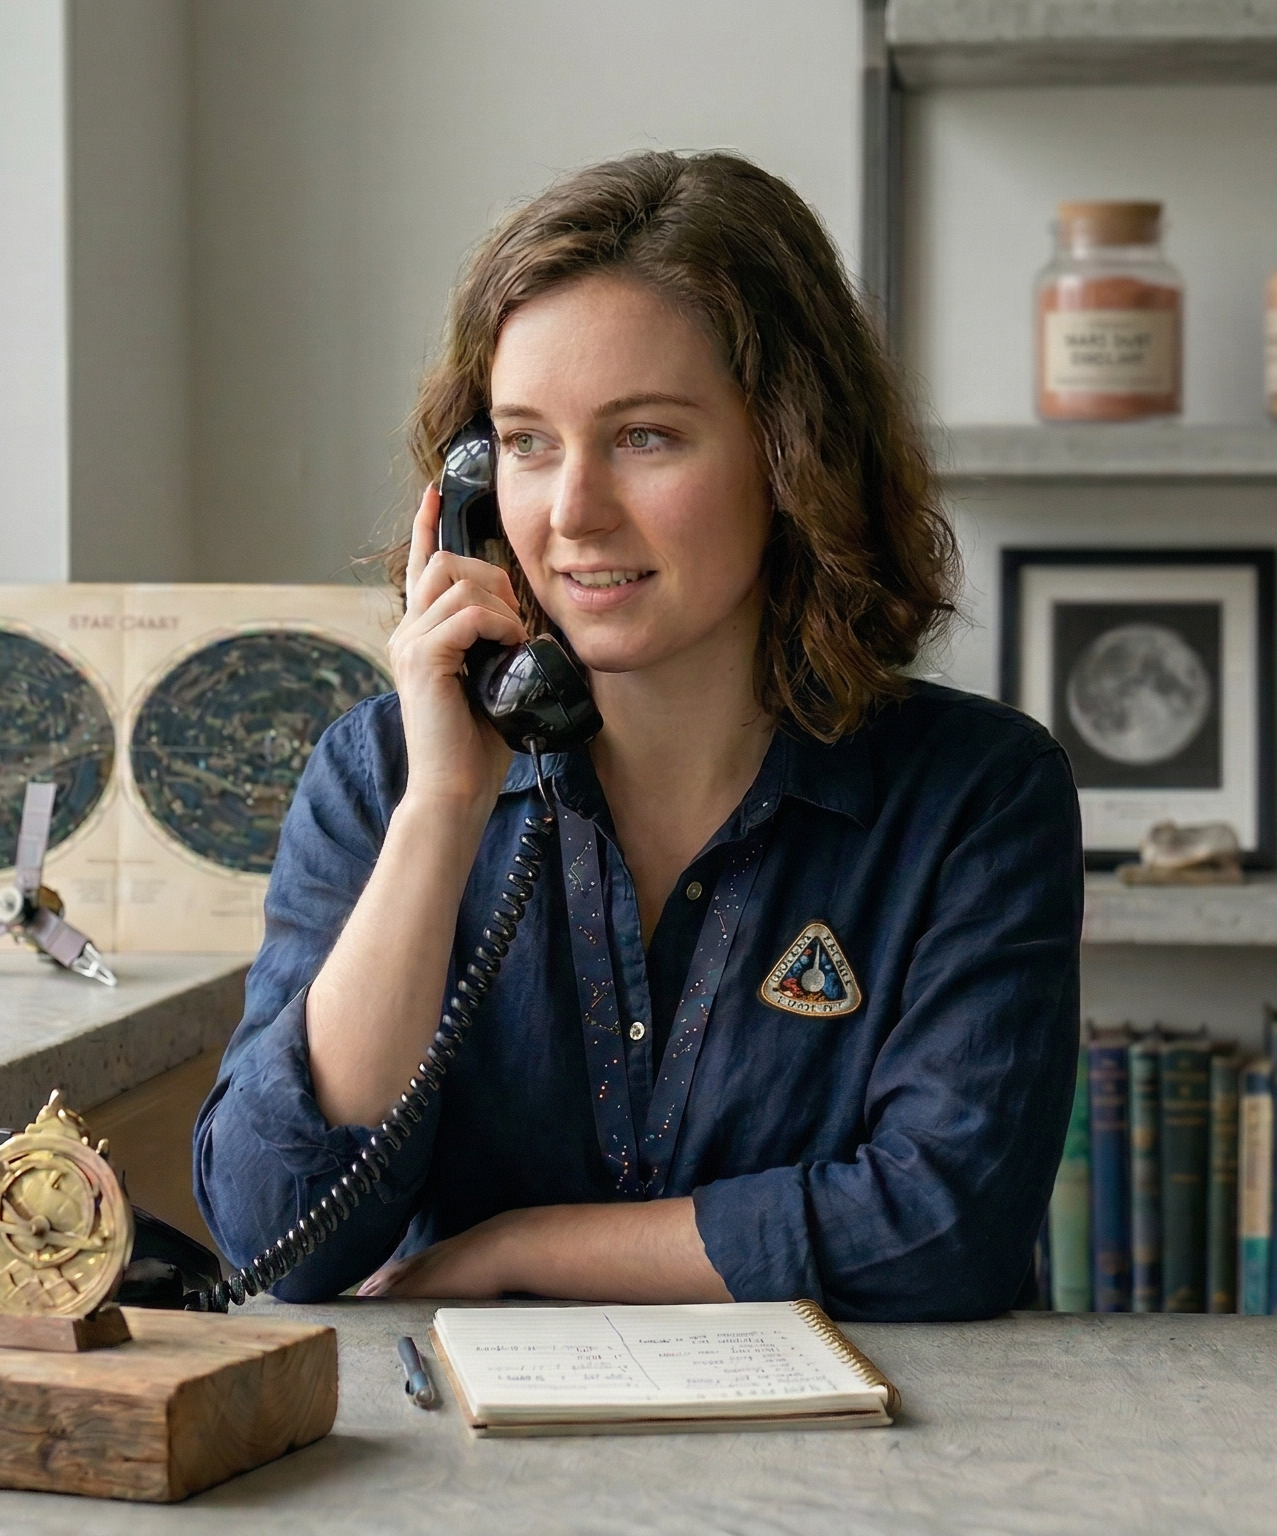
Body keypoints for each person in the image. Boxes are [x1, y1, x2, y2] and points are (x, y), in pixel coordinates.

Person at [193, 150, 1081, 1321]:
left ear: (791, 454)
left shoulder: (977, 795)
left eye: (645, 436)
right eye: (524, 441)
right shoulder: (384, 777)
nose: (571, 513)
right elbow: (283, 1237)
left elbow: (941, 1227)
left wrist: (523, 1249)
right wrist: (444, 814)